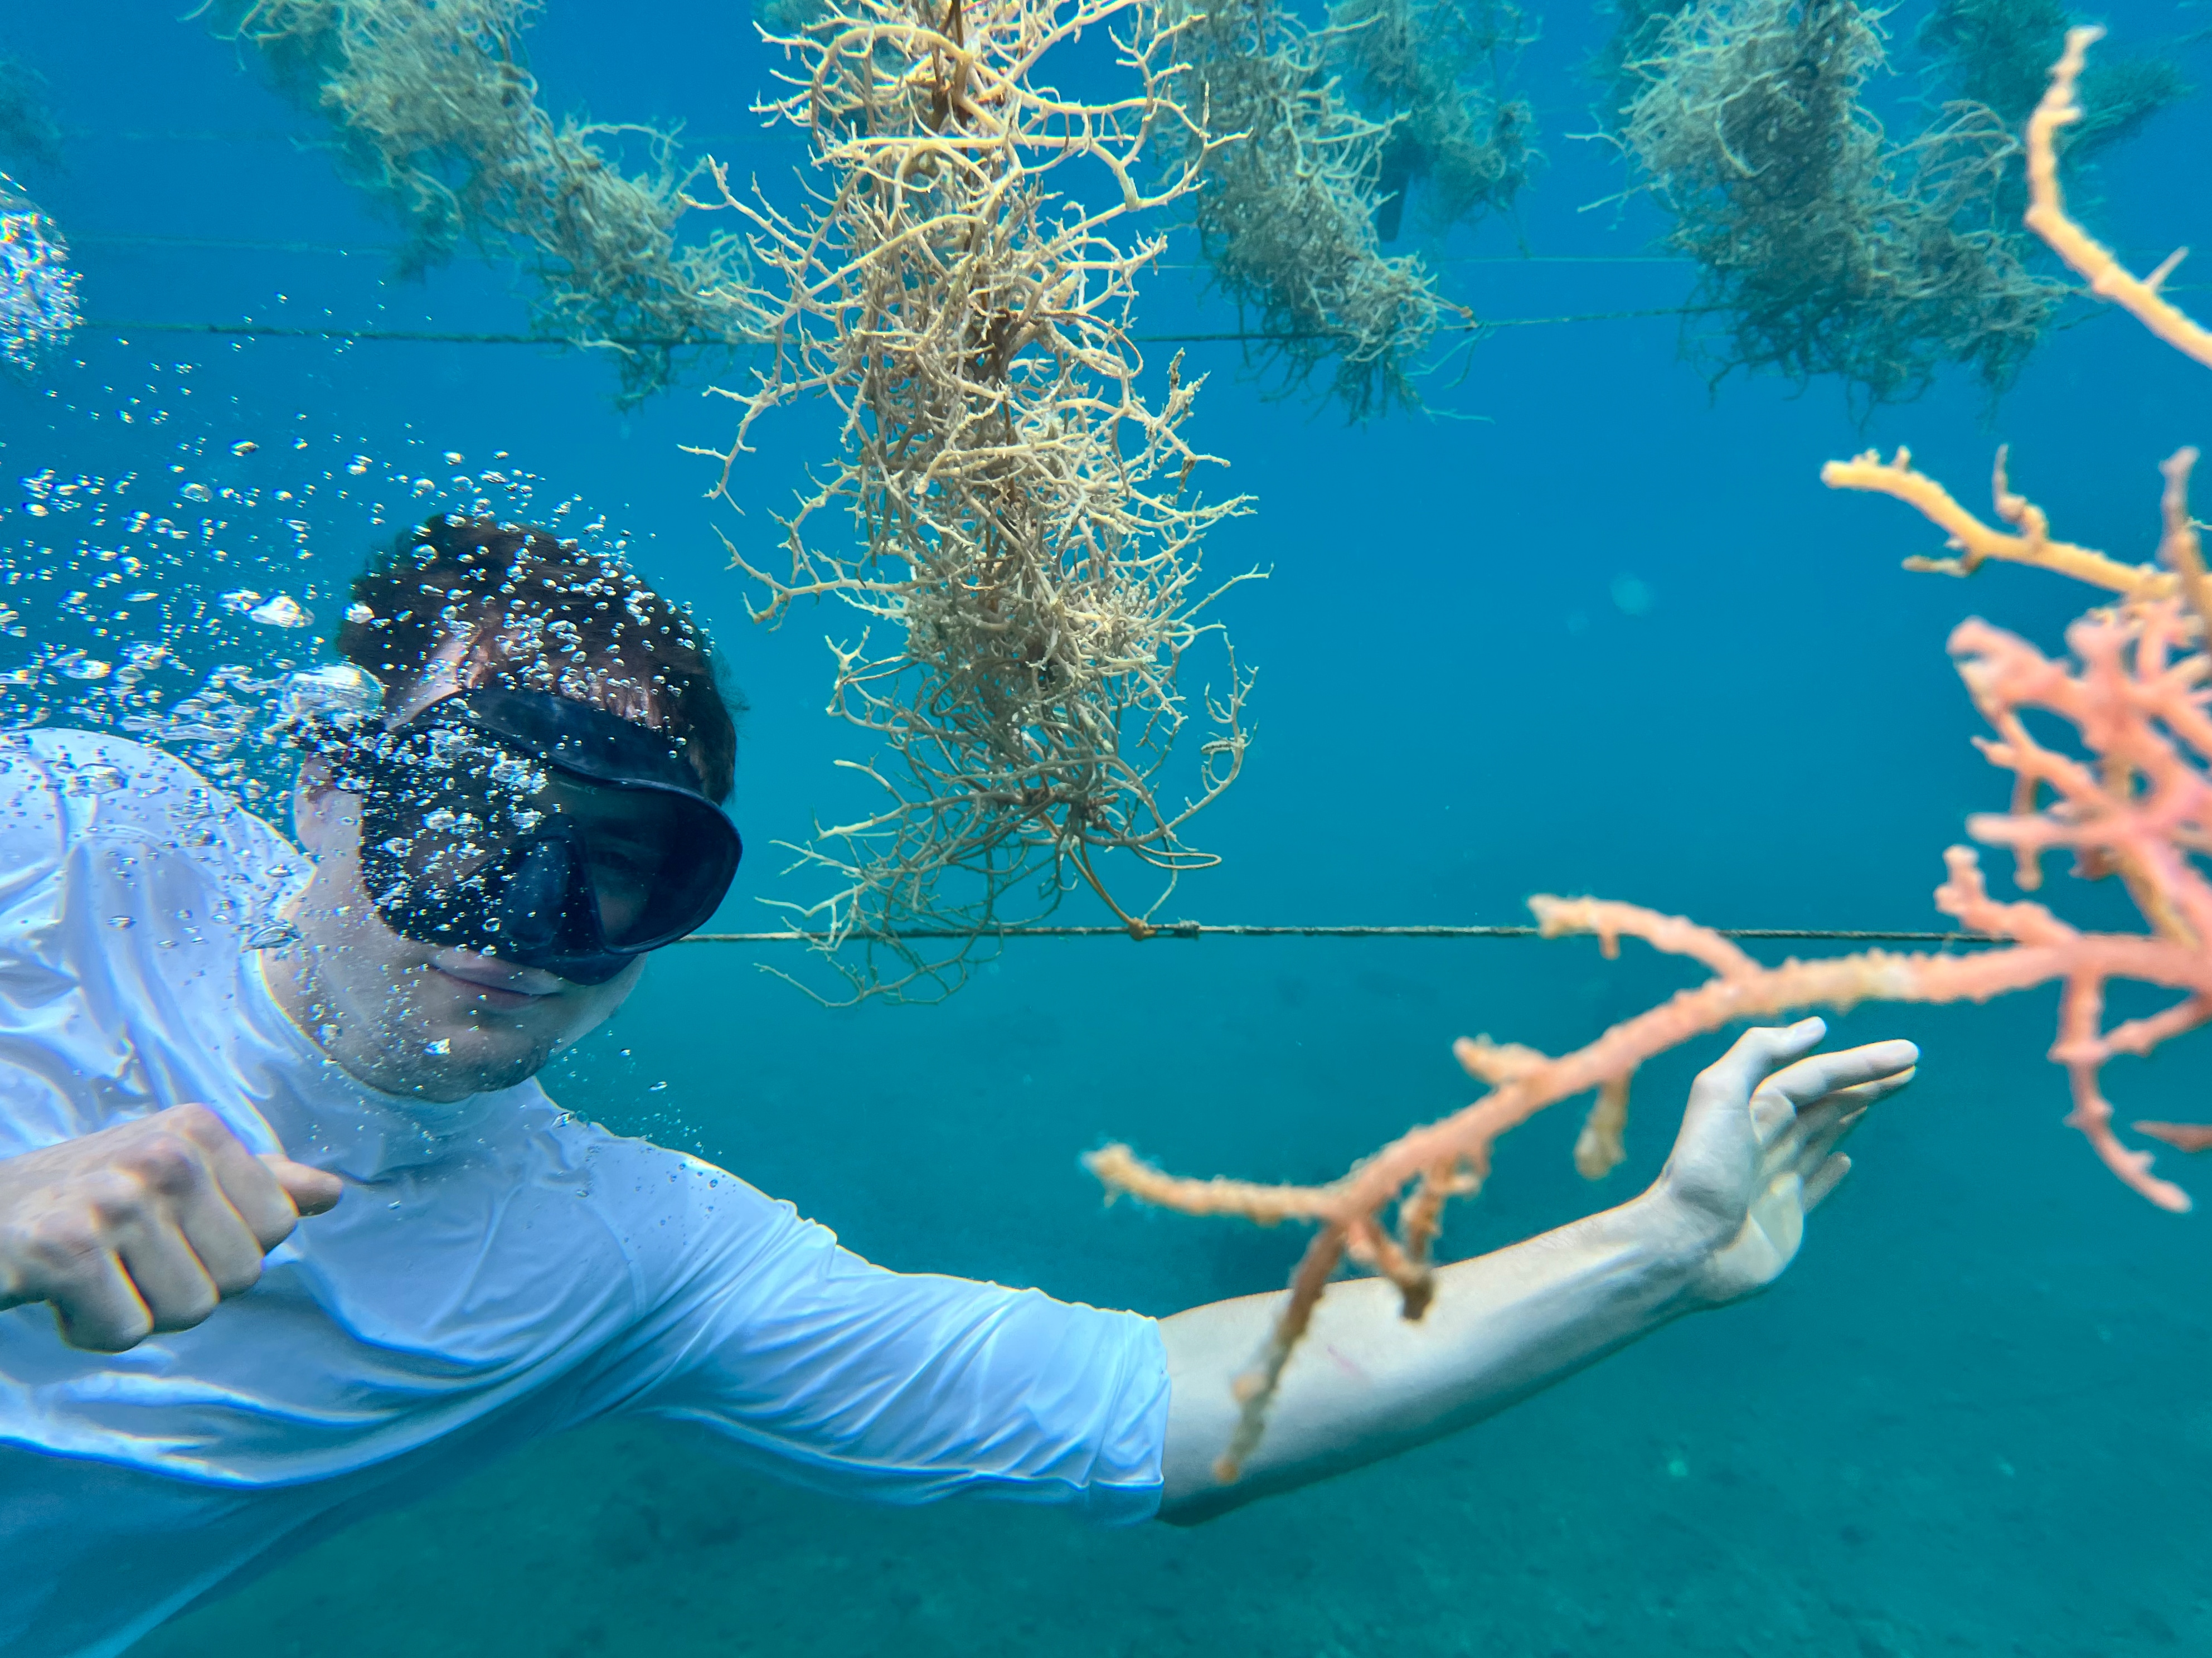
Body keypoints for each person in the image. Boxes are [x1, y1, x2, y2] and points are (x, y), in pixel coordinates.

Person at [0, 515, 1918, 1656]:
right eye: (462, 821)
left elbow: (1158, 1414)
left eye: (622, 866)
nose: (526, 917)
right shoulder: (69, 831)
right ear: (326, 785)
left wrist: (1659, 1251)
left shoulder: (624, 1257)